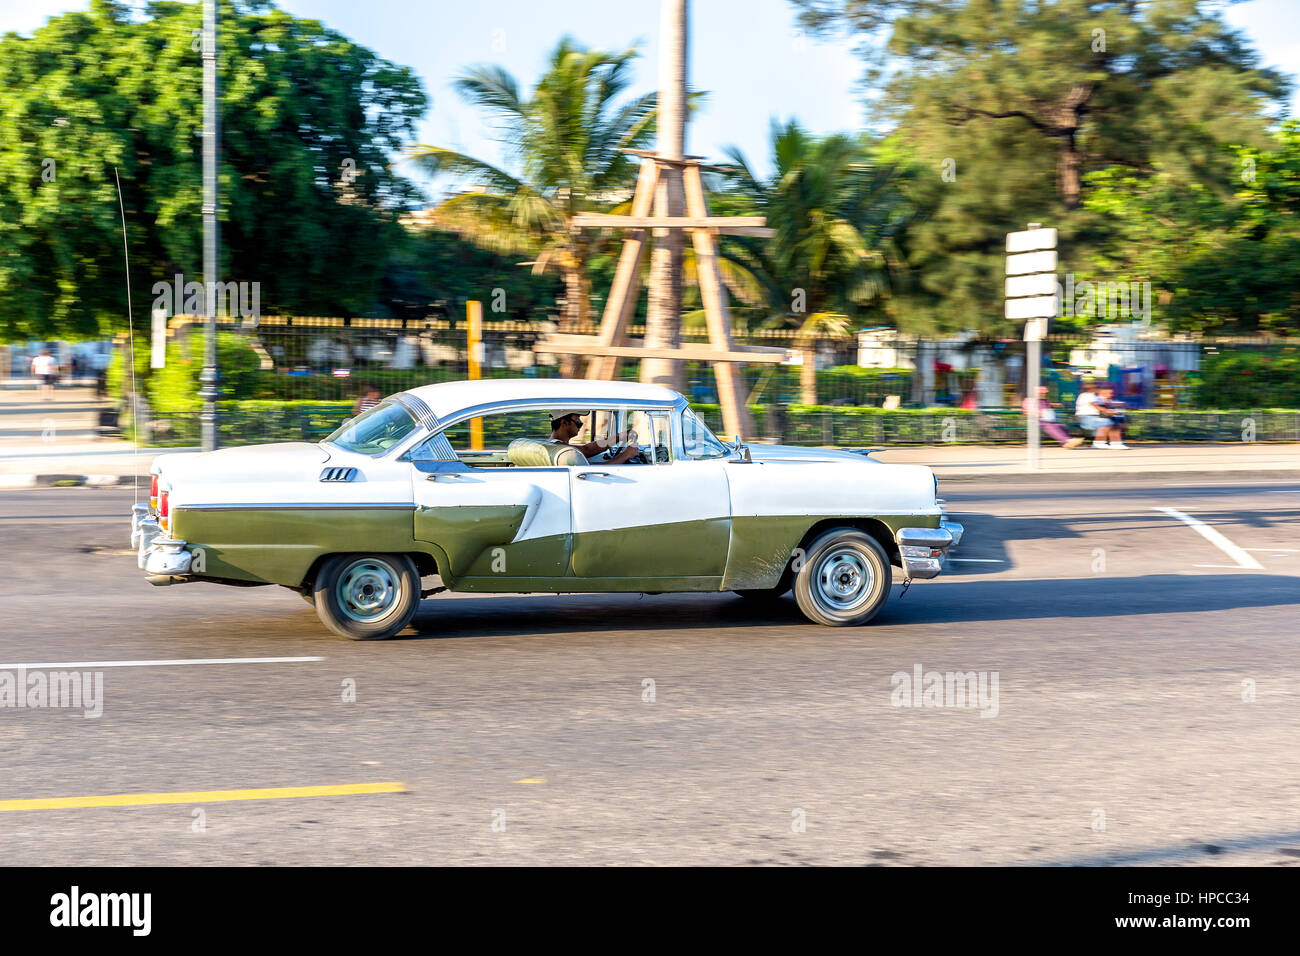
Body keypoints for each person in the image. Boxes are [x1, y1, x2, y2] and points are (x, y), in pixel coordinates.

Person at [549, 410, 642, 464]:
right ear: (564, 422)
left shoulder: (555, 445)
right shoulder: (563, 452)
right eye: (577, 420)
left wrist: (620, 436)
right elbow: (595, 472)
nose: (581, 423)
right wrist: (626, 455)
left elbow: (587, 449)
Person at [1075, 380, 1128, 449]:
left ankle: (1101, 443)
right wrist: (1109, 411)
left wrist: (1116, 405)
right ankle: (1114, 443)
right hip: (1087, 419)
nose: (1099, 390)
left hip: (1090, 418)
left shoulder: (1091, 396)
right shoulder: (1088, 395)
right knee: (1110, 423)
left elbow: (1104, 403)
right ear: (1093, 389)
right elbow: (1096, 406)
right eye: (1098, 388)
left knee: (1108, 422)